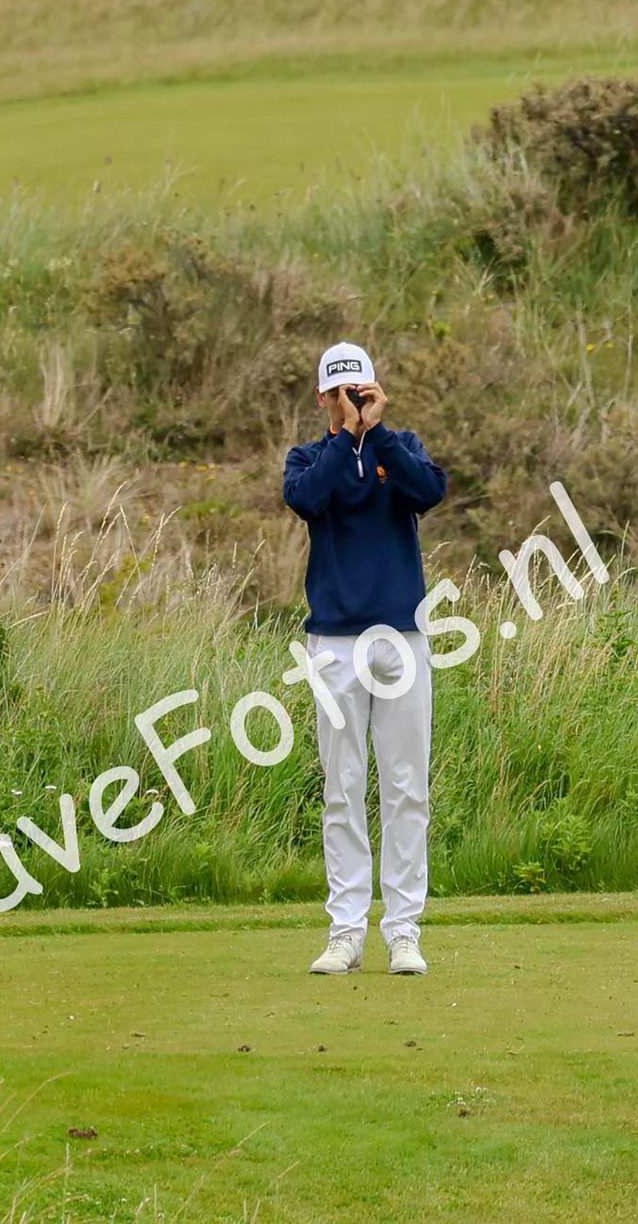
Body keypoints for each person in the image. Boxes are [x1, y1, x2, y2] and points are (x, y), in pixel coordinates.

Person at [283, 342, 447, 977]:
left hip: (402, 637)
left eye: (361, 390)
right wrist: (345, 437)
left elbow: (429, 491)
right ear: (322, 396)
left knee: (407, 787)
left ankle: (403, 930)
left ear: (374, 388)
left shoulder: (399, 447)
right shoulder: (308, 458)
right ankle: (345, 930)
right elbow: (309, 499)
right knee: (342, 788)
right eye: (340, 393)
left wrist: (377, 435)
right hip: (334, 642)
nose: (351, 401)